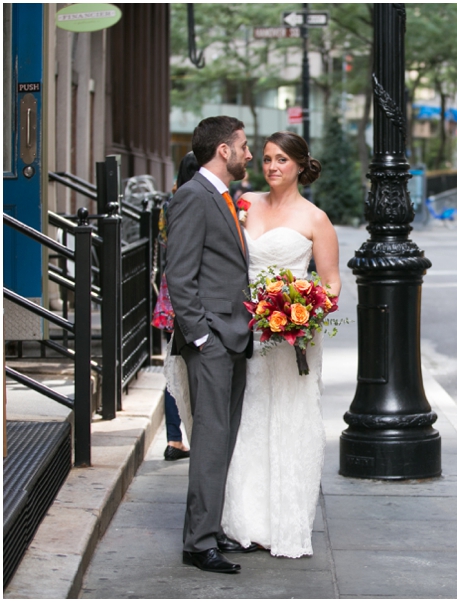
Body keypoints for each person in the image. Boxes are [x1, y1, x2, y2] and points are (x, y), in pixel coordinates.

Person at [219, 130, 341, 558]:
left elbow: (331, 284)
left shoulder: (315, 219)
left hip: (293, 338)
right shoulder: (246, 202)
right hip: (248, 327)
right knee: (251, 417)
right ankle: (245, 521)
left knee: (290, 418)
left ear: (300, 165)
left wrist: (299, 310)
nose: (272, 167)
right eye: (267, 159)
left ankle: (285, 523)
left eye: (282, 160)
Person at [165, 116, 255, 574]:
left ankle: (209, 529)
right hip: (212, 341)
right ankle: (198, 544)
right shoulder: (192, 197)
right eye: (243, 146)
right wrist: (202, 336)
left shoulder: (221, 196)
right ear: (223, 150)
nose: (249, 154)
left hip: (233, 337)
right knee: (210, 440)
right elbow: (179, 275)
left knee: (222, 439)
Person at [151, 151, 200, 461]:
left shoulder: (168, 206)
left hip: (170, 290)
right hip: (189, 291)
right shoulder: (199, 202)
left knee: (173, 364)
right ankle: (192, 434)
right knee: (187, 366)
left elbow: (163, 241)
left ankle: (174, 438)